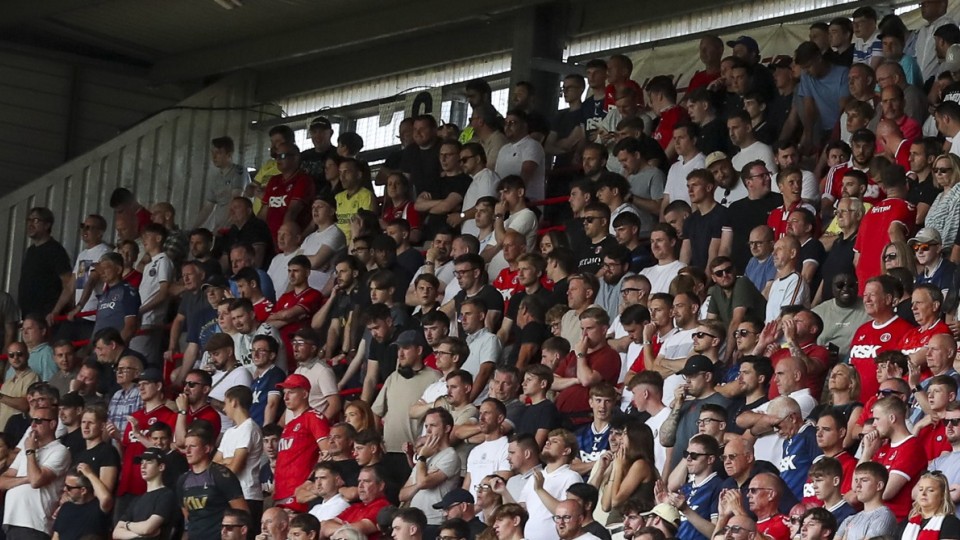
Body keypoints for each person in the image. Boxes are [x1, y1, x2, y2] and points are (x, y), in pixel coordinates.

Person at [860, 396, 927, 520]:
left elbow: (886, 493)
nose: (874, 424)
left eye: (877, 419)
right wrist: (867, 453)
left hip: (895, 520)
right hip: (872, 517)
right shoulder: (883, 448)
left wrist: (866, 489)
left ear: (892, 418)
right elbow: (856, 487)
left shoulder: (911, 447)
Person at [660, 355, 732, 470]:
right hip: (678, 472)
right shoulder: (683, 404)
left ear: (707, 376)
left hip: (702, 471)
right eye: (686, 376)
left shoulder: (721, 403)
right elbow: (665, 440)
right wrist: (677, 404)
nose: (687, 381)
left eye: (692, 376)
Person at [273, 373, 330, 511]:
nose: (285, 397)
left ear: (304, 394)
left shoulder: (314, 418)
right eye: (284, 393)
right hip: (281, 492)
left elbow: (328, 452)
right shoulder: (289, 425)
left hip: (299, 493)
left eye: (291, 392)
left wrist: (310, 482)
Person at [178, 427, 247, 539]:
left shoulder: (221, 475)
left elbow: (242, 514)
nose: (188, 451)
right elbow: (188, 516)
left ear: (207, 448)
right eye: (186, 447)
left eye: (193, 446)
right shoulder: (182, 480)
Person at [215, 385, 264, 531]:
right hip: (228, 495)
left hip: (248, 495)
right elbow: (213, 465)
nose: (224, 408)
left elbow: (235, 468)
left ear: (234, 402)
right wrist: (229, 460)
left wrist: (226, 461)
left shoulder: (249, 427)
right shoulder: (229, 432)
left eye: (225, 403)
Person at [19, 207, 72, 325]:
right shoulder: (31, 251)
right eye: (29, 220)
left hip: (48, 319)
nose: (30, 224)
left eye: (35, 220)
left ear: (47, 225)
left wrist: (56, 311)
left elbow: (68, 283)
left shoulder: (55, 250)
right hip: (30, 317)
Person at [114, 447, 180, 540]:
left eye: (149, 462)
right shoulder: (136, 500)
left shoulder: (167, 495)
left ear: (161, 467)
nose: (143, 466)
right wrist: (140, 536)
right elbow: (116, 533)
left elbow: (147, 528)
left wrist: (126, 525)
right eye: (142, 462)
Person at [52, 466, 113, 540]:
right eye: (65, 485)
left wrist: (89, 474)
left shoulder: (97, 507)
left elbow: (106, 498)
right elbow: (56, 536)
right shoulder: (65, 507)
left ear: (83, 490)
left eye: (69, 487)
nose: (65, 489)